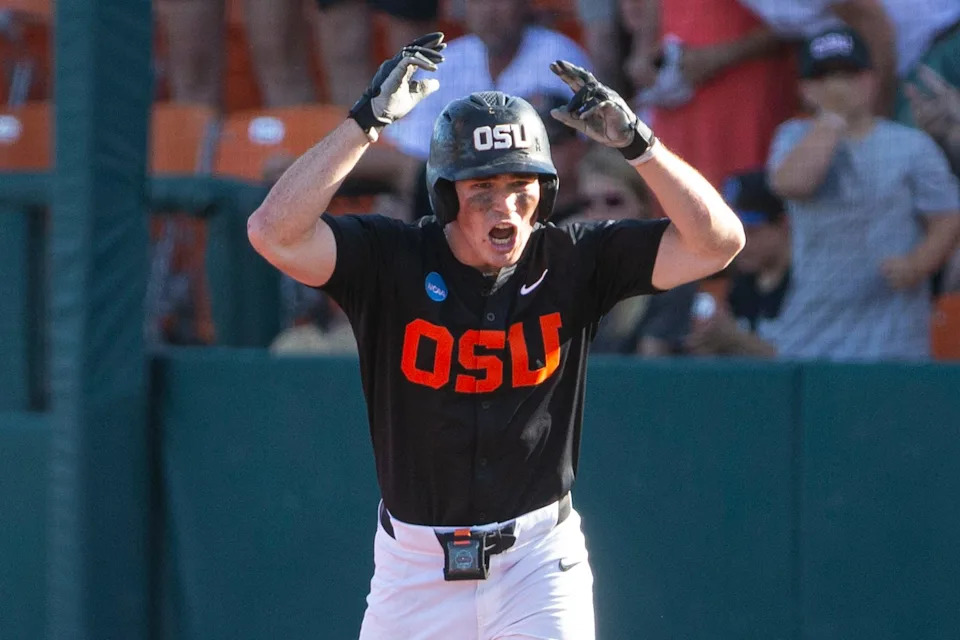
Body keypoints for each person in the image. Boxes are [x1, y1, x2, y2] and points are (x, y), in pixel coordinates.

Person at [247, 33, 745, 638]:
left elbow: (718, 243)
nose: (503, 205)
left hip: (537, 560)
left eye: (519, 186)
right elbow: (273, 232)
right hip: (413, 570)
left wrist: (641, 146)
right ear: (446, 196)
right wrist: (365, 122)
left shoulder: (573, 259)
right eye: (481, 189)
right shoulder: (391, 259)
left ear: (544, 192)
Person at [766, 27, 960, 361]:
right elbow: (792, 184)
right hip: (811, 335)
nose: (838, 86)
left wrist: (919, 262)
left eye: (848, 74)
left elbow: (947, 216)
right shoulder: (792, 135)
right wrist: (832, 119)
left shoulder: (911, 144)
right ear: (805, 89)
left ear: (870, 81)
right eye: (825, 77)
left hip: (894, 337)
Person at [571, 145, 697, 356]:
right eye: (588, 203)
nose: (599, 215)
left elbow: (647, 375)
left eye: (613, 202)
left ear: (642, 205)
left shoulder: (672, 279)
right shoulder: (571, 272)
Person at [686, 170, 789, 357]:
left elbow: (806, 361)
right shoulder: (736, 285)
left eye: (751, 231)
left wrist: (736, 338)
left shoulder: (804, 285)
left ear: (782, 226)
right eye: (732, 233)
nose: (741, 243)